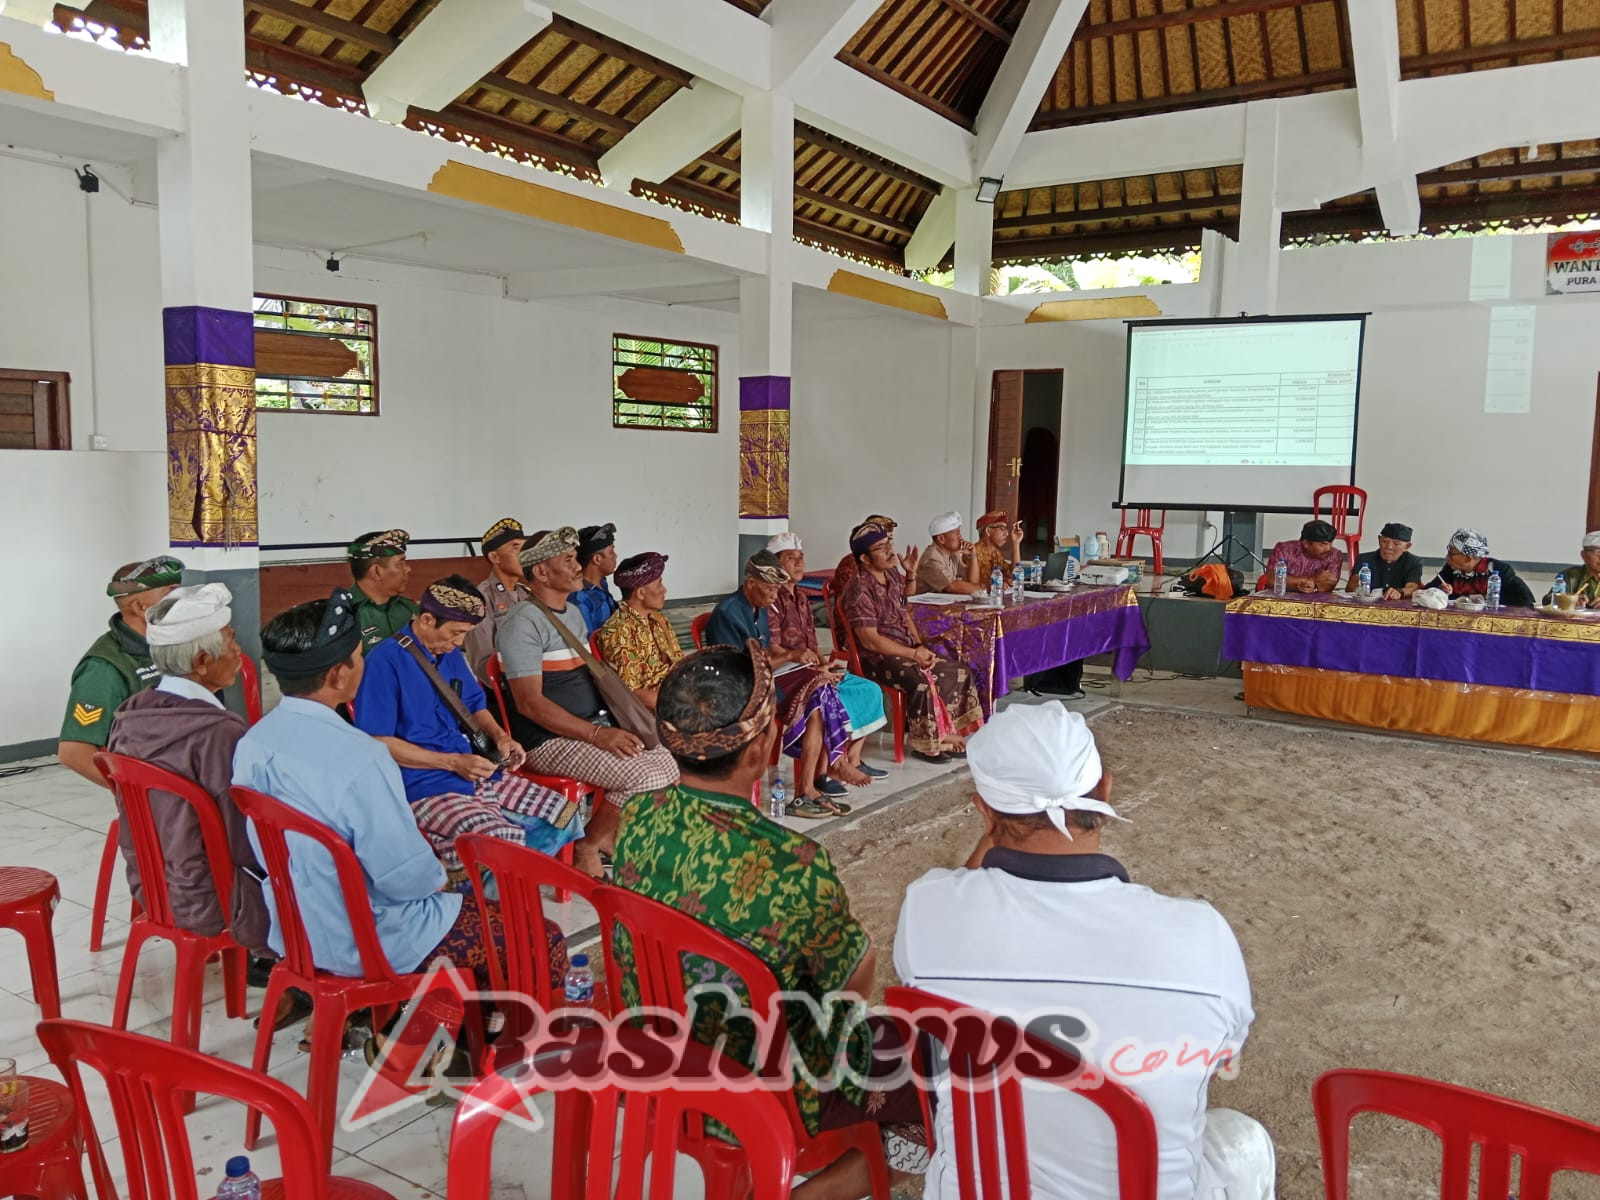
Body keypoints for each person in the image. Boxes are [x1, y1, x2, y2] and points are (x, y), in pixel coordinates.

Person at [895, 702, 1275, 1200]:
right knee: (1243, 1139)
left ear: (984, 812)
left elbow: (967, 888)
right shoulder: (1202, 934)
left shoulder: (927, 910)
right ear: (1105, 792)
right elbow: (1222, 1055)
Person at [612, 643, 927, 1197]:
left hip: (655, 1046)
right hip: (761, 1084)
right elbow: (850, 980)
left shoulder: (638, 813)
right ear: (761, 751)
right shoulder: (793, 861)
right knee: (933, 1069)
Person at [234, 592, 567, 1001]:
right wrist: (443, 876)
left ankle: (438, 1025)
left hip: (294, 926)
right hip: (373, 939)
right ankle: (468, 1043)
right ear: (340, 675)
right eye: (359, 656)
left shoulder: (254, 742)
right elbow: (406, 880)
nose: (364, 663)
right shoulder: (362, 758)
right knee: (540, 938)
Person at [353, 577, 584, 871]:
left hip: (472, 771)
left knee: (562, 813)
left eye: (466, 634)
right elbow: (377, 741)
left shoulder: (447, 654)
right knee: (496, 838)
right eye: (456, 633)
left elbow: (474, 705)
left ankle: (509, 877)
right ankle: (482, 891)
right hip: (421, 783)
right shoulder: (384, 662)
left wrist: (501, 738)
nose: (459, 643)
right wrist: (452, 763)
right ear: (426, 620)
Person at [496, 527, 678, 876]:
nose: (578, 566)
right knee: (643, 777)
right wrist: (597, 736)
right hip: (547, 740)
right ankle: (588, 847)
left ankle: (609, 838)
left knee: (668, 763)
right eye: (567, 560)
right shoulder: (522, 623)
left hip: (590, 726)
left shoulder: (571, 614)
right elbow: (529, 704)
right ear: (541, 572)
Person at [105, 582, 269, 956]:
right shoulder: (218, 732)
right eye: (231, 643)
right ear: (201, 662)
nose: (239, 651)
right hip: (213, 900)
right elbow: (245, 840)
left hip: (152, 886)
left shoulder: (130, 714)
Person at [706, 552, 858, 816]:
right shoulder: (728, 613)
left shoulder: (759, 607)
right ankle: (834, 762)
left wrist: (799, 663)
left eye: (778, 588)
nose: (775, 595)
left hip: (763, 681)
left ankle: (806, 791)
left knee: (819, 693)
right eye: (770, 588)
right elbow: (744, 666)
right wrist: (790, 655)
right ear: (751, 583)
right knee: (817, 685)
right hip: (738, 688)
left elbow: (763, 658)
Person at [842, 526, 983, 762]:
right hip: (875, 658)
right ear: (865, 559)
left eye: (888, 544)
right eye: (880, 548)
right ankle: (924, 741)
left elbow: (904, 612)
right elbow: (871, 641)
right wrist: (913, 654)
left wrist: (918, 645)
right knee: (920, 679)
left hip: (904, 649)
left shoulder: (891, 576)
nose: (889, 551)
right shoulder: (859, 590)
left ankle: (946, 731)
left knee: (958, 671)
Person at [768, 532, 888, 789]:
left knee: (868, 689)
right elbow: (774, 649)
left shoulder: (801, 598)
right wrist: (810, 666)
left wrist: (823, 665)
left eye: (801, 557)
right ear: (776, 566)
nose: (800, 563)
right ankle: (826, 770)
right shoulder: (772, 599)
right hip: (787, 673)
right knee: (826, 698)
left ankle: (852, 757)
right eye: (791, 559)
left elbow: (812, 643)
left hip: (810, 668)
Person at [59, 556, 185, 789]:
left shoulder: (172, 643)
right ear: (140, 607)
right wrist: (135, 795)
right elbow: (73, 752)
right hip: (156, 782)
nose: (182, 603)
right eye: (171, 596)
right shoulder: (104, 667)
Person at [594, 551, 683, 710]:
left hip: (679, 692)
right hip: (659, 709)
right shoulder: (619, 631)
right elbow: (631, 692)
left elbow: (679, 662)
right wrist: (680, 707)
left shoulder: (659, 619)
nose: (664, 590)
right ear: (641, 593)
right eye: (659, 584)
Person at [464, 517, 532, 678]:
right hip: (509, 685)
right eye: (515, 548)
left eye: (524, 549)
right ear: (495, 557)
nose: (523, 556)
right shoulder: (480, 599)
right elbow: (482, 663)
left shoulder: (527, 594)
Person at [1424, 528, 1536, 607]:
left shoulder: (1498, 570)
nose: (1447, 557)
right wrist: (1440, 591)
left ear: (1467, 558)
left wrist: (1483, 599)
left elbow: (1525, 599)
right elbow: (1426, 592)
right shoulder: (1452, 568)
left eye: (1451, 553)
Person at [349, 529, 419, 652]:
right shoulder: (345, 617)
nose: (408, 569)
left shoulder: (412, 609)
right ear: (377, 571)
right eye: (399, 564)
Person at [832, 514, 918, 598]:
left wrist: (910, 573)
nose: (890, 549)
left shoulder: (886, 565)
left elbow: (904, 597)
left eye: (889, 542)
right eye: (881, 545)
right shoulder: (854, 567)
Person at [1345, 522, 1424, 600]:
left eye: (1396, 544)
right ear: (1379, 540)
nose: (1389, 547)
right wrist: (1355, 585)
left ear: (1407, 546)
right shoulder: (1364, 559)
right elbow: (1352, 585)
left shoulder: (1414, 562)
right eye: (1385, 541)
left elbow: (1412, 587)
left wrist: (1400, 592)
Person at [1264, 520, 1345, 594]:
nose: (1328, 548)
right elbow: (1271, 580)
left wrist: (1311, 584)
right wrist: (1312, 579)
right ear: (1306, 543)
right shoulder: (1284, 550)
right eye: (1323, 544)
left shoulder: (1335, 555)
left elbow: (1329, 584)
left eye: (1330, 543)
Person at [915, 512, 983, 596]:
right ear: (941, 539)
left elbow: (972, 582)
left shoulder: (953, 555)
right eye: (957, 533)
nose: (960, 537)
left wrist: (972, 555)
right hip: (923, 607)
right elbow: (952, 586)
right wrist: (986, 588)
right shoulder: (931, 559)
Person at [569, 523, 619, 635]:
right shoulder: (580, 599)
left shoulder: (602, 582)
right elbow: (588, 644)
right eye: (611, 552)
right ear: (597, 559)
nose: (615, 556)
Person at [1551, 531, 1600, 606]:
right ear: (1583, 555)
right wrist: (1568, 601)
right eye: (1597, 551)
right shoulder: (1569, 576)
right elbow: (1549, 602)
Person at [973, 510, 1024, 581]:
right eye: (1002, 528)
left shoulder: (996, 554)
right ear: (988, 531)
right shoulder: (973, 552)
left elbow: (1014, 575)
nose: (1006, 533)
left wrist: (1016, 543)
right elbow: (975, 583)